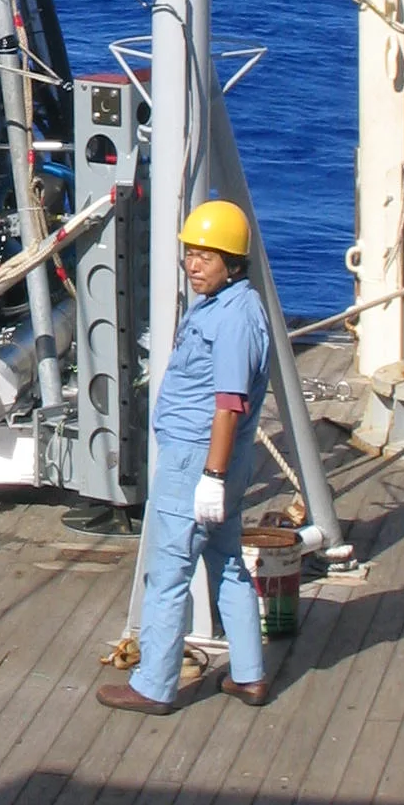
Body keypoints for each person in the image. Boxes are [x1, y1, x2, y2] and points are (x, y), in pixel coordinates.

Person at [97, 199, 273, 715]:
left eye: (205, 257)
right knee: (228, 563)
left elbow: (228, 405)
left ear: (232, 263)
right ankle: (249, 673)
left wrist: (211, 477)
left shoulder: (234, 319)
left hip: (197, 463)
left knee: (168, 573)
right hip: (213, 463)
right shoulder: (231, 305)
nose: (193, 266)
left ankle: (153, 685)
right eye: (190, 255)